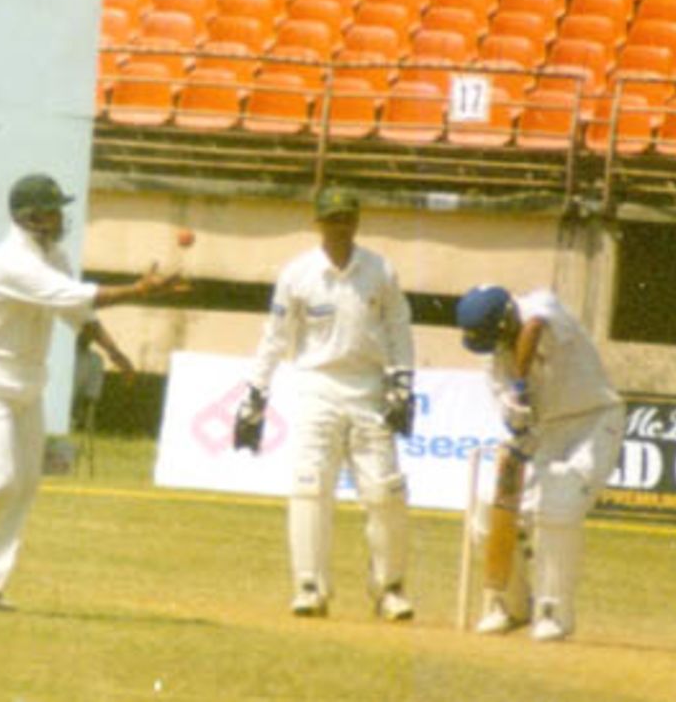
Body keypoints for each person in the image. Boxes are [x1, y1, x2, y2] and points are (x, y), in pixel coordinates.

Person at [0, 172, 184, 610]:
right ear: (27, 216)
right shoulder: (12, 260)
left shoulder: (54, 256)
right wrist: (139, 290)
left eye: (58, 208)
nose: (58, 216)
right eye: (49, 209)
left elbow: (77, 312)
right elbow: (74, 294)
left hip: (27, 381)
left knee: (25, 483)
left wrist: (113, 350)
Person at [235, 189, 416, 621]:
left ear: (356, 221)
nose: (340, 227)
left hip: (369, 386)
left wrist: (402, 384)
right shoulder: (298, 274)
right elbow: (275, 337)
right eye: (332, 219)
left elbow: (399, 327)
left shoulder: (379, 270)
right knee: (310, 486)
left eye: (347, 218)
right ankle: (310, 586)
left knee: (385, 491)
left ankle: (388, 588)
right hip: (316, 385)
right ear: (318, 223)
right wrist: (255, 396)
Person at [455, 285, 625, 642]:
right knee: (489, 503)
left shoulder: (540, 306)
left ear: (505, 322)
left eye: (497, 339)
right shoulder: (492, 360)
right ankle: (509, 605)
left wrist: (519, 382)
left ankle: (553, 613)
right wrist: (517, 430)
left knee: (557, 506)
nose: (496, 351)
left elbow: (531, 327)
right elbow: (514, 415)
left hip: (593, 421)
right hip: (545, 431)